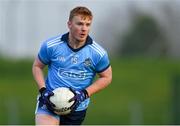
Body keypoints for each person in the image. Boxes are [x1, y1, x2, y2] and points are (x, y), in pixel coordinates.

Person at [32, 6, 112, 125]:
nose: (84, 29)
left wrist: (84, 93)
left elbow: (107, 77)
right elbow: (37, 66)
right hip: (49, 102)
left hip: (77, 108)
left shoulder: (98, 53)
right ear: (69, 24)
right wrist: (43, 90)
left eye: (87, 24)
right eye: (79, 24)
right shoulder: (51, 46)